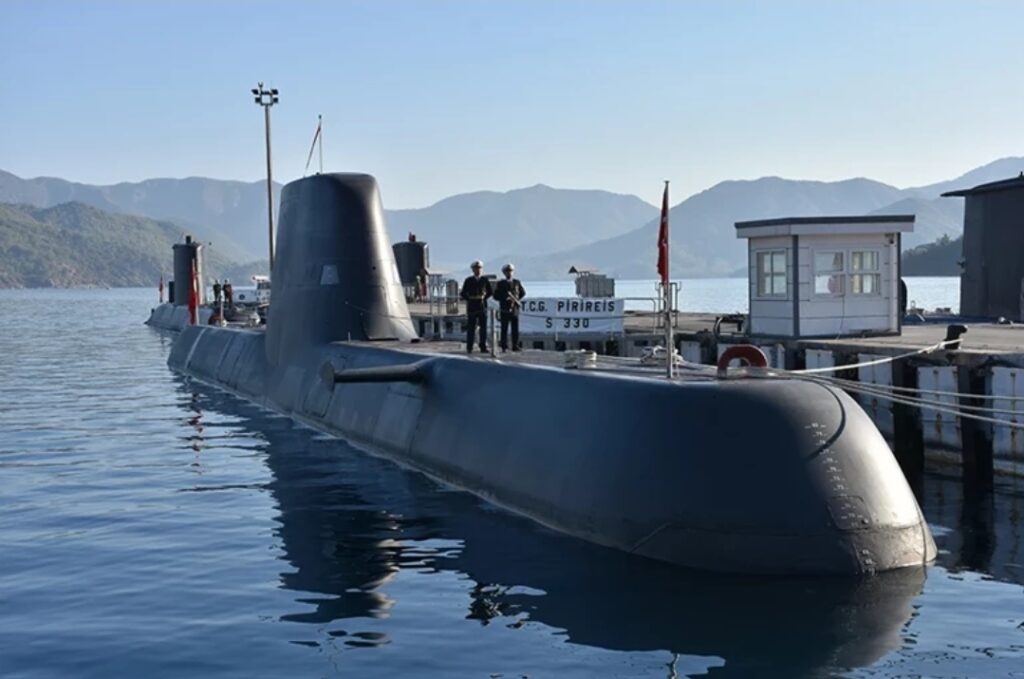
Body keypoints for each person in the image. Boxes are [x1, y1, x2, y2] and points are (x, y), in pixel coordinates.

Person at [459, 260, 492, 353]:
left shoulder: (485, 280)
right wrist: (470, 299)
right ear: (473, 270)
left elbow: (490, 292)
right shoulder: (468, 280)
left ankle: (483, 346)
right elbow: (463, 293)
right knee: (471, 328)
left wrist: (484, 298)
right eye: (476, 269)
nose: (478, 270)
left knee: (483, 328)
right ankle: (469, 347)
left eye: (479, 268)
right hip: (472, 306)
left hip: (482, 306)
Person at [493, 263, 526, 352]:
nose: (509, 273)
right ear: (504, 273)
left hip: (514, 308)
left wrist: (516, 299)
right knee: (504, 328)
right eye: (507, 271)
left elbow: (522, 292)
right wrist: (505, 298)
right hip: (505, 308)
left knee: (515, 328)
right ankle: (504, 346)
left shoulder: (516, 282)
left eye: (510, 271)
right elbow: (496, 296)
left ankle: (515, 345)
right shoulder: (501, 283)